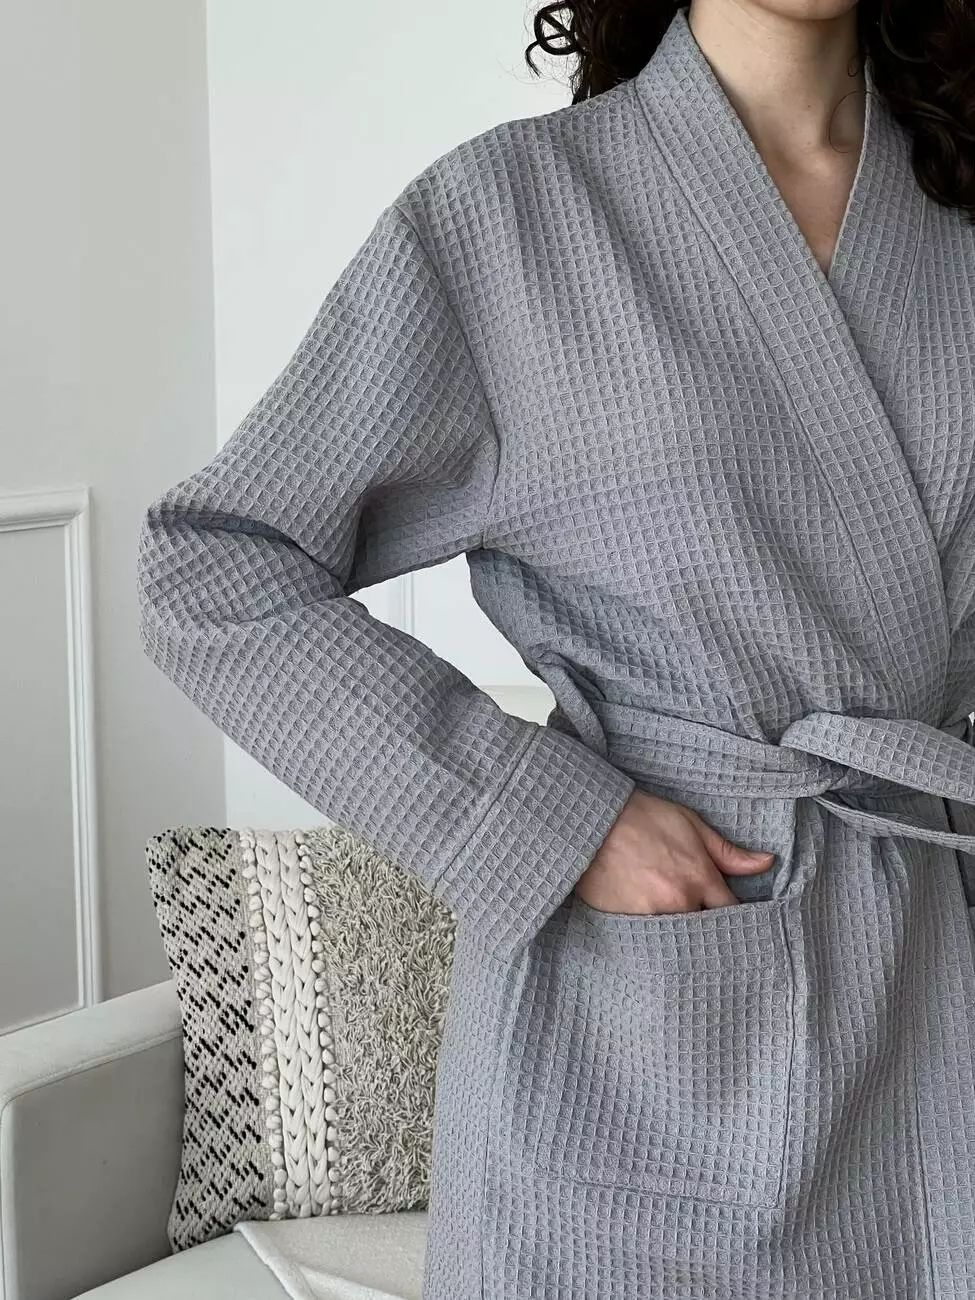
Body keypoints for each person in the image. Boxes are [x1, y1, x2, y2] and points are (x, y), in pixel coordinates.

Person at [135, 1, 975, 1295]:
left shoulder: (955, 219)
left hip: (930, 984)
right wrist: (552, 817)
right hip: (640, 1024)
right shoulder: (510, 217)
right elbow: (214, 564)